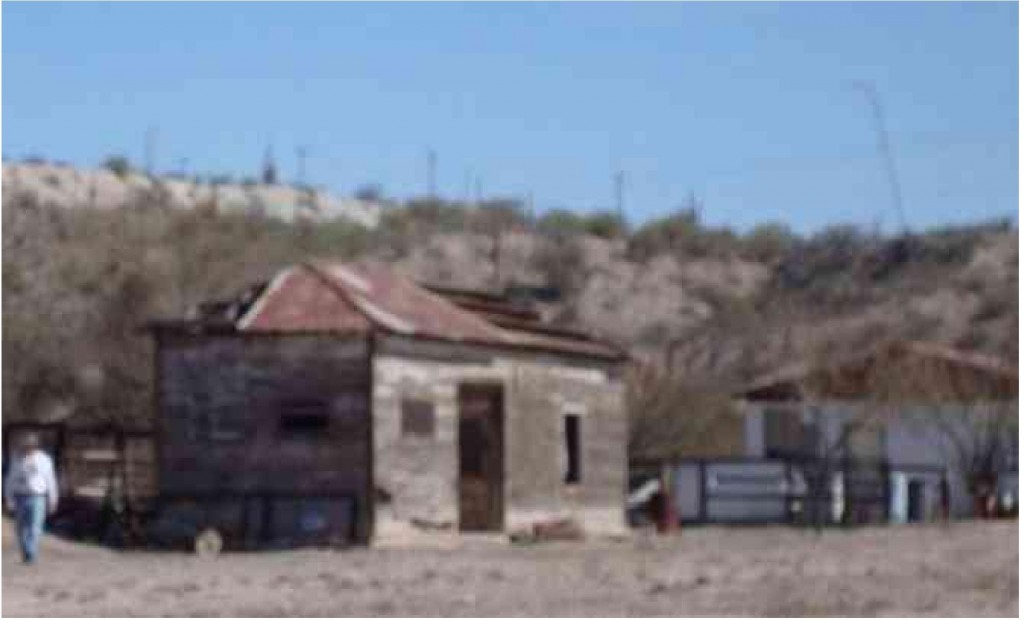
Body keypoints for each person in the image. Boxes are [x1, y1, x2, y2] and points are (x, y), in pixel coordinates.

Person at [4, 433, 59, 564]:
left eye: (31, 446)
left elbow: (50, 480)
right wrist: (8, 498)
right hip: (20, 497)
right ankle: (27, 550)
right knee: (20, 528)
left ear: (36, 446)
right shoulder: (17, 459)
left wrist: (53, 499)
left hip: (38, 497)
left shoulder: (44, 460)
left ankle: (30, 554)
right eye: (26, 446)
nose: (28, 448)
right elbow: (10, 480)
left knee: (35, 527)